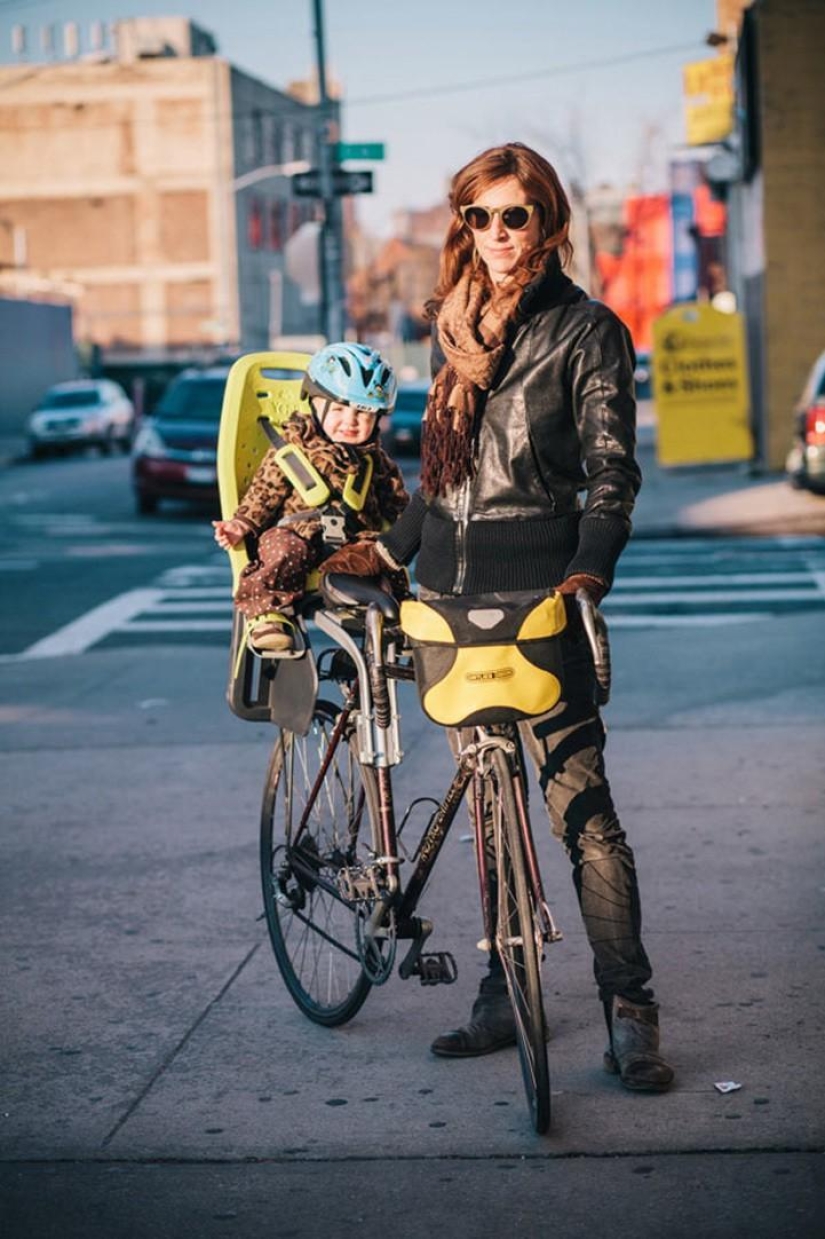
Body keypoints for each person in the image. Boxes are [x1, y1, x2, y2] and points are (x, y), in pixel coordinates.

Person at [374, 142, 674, 1092]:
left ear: (548, 222)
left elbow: (611, 473)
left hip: (543, 596)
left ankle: (630, 1008)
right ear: (462, 225)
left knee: (581, 812)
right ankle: (503, 993)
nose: (498, 236)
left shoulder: (586, 331)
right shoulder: (450, 328)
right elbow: (442, 477)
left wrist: (589, 571)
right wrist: (384, 553)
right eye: (480, 217)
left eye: (516, 216)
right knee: (491, 812)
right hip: (452, 601)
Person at [213, 342, 410, 652]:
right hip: (300, 534)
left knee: (383, 557)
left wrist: (420, 529)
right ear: (315, 404)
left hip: (353, 544)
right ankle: (270, 617)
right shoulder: (292, 449)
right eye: (340, 408)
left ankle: (394, 621)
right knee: (279, 548)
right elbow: (264, 493)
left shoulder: (376, 462)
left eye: (364, 413)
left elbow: (398, 505)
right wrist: (241, 523)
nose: (351, 420)